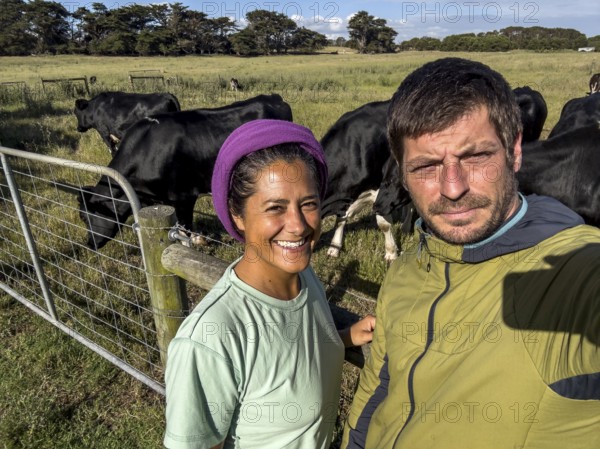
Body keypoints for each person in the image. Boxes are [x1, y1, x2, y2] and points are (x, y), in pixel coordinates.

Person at [342, 57, 600, 448]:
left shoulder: (574, 273)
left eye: (476, 157)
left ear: (515, 150)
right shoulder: (408, 268)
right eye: (426, 166)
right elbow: (376, 391)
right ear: (400, 172)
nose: (452, 187)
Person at [163, 119, 376, 449]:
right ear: (237, 216)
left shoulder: (302, 278)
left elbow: (285, 355)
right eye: (275, 207)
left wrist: (344, 337)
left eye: (309, 204)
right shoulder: (210, 339)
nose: (298, 225)